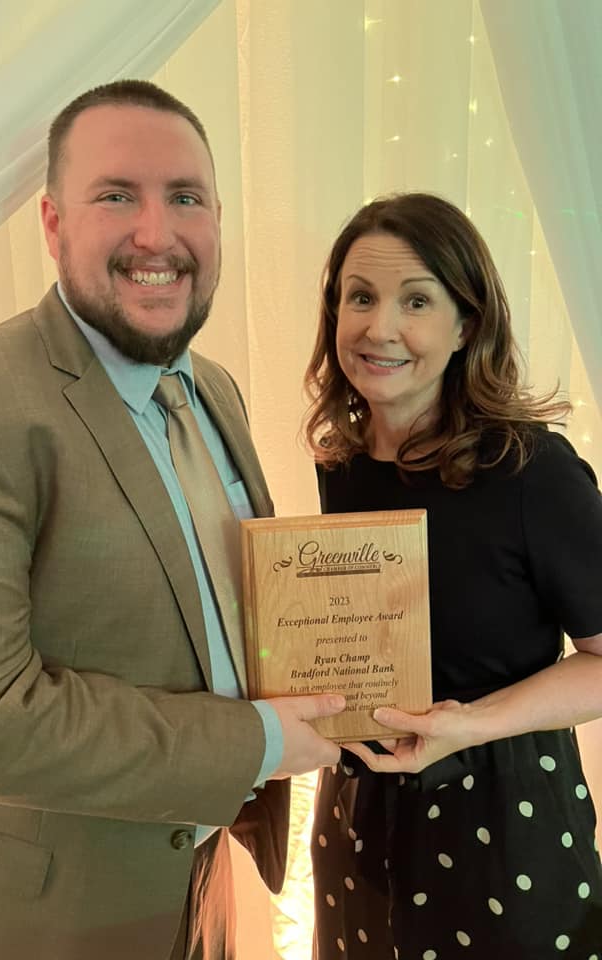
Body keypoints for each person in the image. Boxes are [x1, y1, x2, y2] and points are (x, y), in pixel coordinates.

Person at [0, 80, 346, 960]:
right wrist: (260, 741)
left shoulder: (215, 389)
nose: (156, 234)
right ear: (54, 224)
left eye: (185, 198)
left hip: (198, 896)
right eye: (116, 195)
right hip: (24, 926)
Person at [304, 192, 602, 959]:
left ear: (466, 324)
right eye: (360, 298)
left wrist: (468, 724)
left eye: (417, 301)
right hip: (360, 811)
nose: (381, 328)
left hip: (505, 819)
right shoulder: (340, 466)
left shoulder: (534, 473)